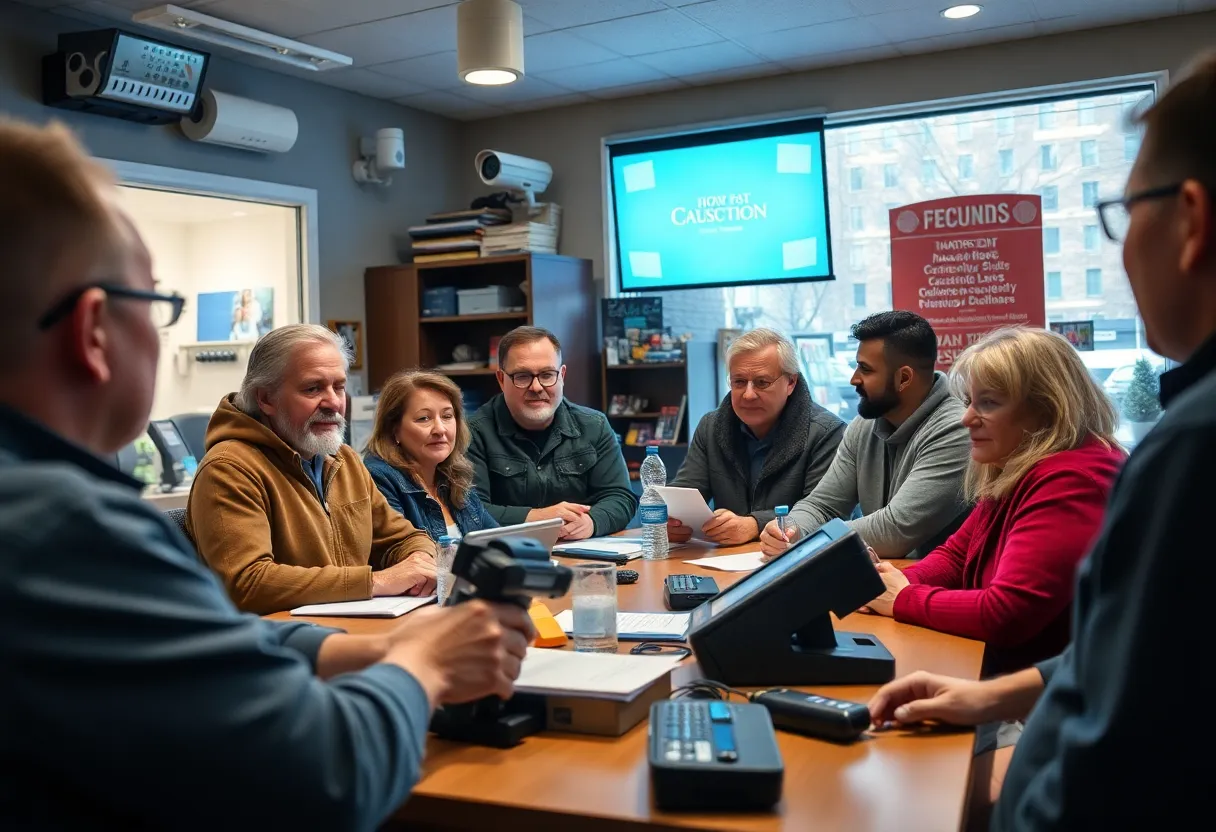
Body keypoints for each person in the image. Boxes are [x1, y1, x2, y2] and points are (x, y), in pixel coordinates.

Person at [0, 117, 533, 829]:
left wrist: (374, 646)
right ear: (93, 332)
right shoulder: (58, 527)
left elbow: (208, 632)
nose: (334, 403)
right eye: (156, 307)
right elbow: (327, 777)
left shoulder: (44, 508)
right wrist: (426, 666)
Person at [868, 51, 1215, 829]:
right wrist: (981, 684)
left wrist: (905, 595)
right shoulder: (1017, 472)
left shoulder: (1155, 453)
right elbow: (1116, 654)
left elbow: (1113, 711)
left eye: (1126, 216)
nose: (969, 418)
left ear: (1191, 219)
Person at [861, 327, 1125, 676]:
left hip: (1045, 706)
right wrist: (887, 582)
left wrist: (901, 599)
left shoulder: (1071, 479)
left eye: (988, 403)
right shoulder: (1018, 464)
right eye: (970, 401)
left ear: (1047, 409)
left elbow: (1007, 614)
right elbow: (956, 556)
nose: (966, 418)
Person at [188, 324, 438, 614]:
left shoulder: (344, 460)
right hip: (278, 647)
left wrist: (419, 563)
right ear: (266, 399)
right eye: (313, 388)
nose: (333, 402)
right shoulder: (228, 469)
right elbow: (245, 584)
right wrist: (374, 582)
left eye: (339, 387)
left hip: (348, 632)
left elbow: (405, 538)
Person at [759, 311, 971, 559]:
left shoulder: (956, 429)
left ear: (903, 378)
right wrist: (791, 530)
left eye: (866, 369)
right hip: (884, 579)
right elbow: (822, 505)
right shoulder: (864, 426)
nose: (853, 379)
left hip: (938, 590)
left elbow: (894, 531)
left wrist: (807, 541)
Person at [667, 328, 845, 546]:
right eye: (739, 382)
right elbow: (686, 492)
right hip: (726, 562)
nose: (748, 394)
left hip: (798, 562)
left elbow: (826, 513)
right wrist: (673, 520)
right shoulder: (711, 426)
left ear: (791, 383)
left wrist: (754, 525)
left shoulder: (827, 432)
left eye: (762, 383)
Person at [467, 326, 638, 540]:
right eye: (522, 376)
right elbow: (470, 512)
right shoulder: (472, 433)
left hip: (582, 555)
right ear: (501, 380)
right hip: (505, 560)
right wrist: (539, 518)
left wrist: (592, 522)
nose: (537, 387)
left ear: (562, 376)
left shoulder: (594, 426)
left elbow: (621, 497)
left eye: (547, 375)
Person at [364, 370, 498, 541]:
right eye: (424, 418)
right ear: (394, 430)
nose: (440, 429)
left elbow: (499, 542)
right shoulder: (379, 479)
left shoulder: (453, 478)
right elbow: (404, 555)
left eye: (447, 416)